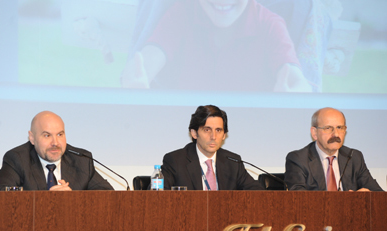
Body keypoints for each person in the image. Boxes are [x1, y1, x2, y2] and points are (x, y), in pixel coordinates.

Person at [122, 0, 311, 92]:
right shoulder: (181, 13)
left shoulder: (270, 24)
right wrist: (134, 79)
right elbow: (145, 62)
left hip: (249, 142)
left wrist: (292, 95)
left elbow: (298, 82)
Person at [0, 111, 113, 191]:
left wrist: (73, 199)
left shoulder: (81, 160)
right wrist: (50, 200)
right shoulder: (17, 159)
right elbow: (3, 199)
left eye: (60, 134)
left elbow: (107, 194)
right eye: (47, 135)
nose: (55, 143)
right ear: (32, 138)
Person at [161, 105, 263, 191]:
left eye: (218, 130)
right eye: (207, 130)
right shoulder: (175, 161)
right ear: (194, 133)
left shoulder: (233, 162)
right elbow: (156, 196)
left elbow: (257, 193)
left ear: (224, 135)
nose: (213, 136)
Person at [285, 107, 382, 191]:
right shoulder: (298, 159)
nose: (335, 134)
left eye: (340, 127)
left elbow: (379, 195)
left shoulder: (354, 157)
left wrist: (364, 196)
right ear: (314, 133)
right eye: (328, 128)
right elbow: (298, 199)